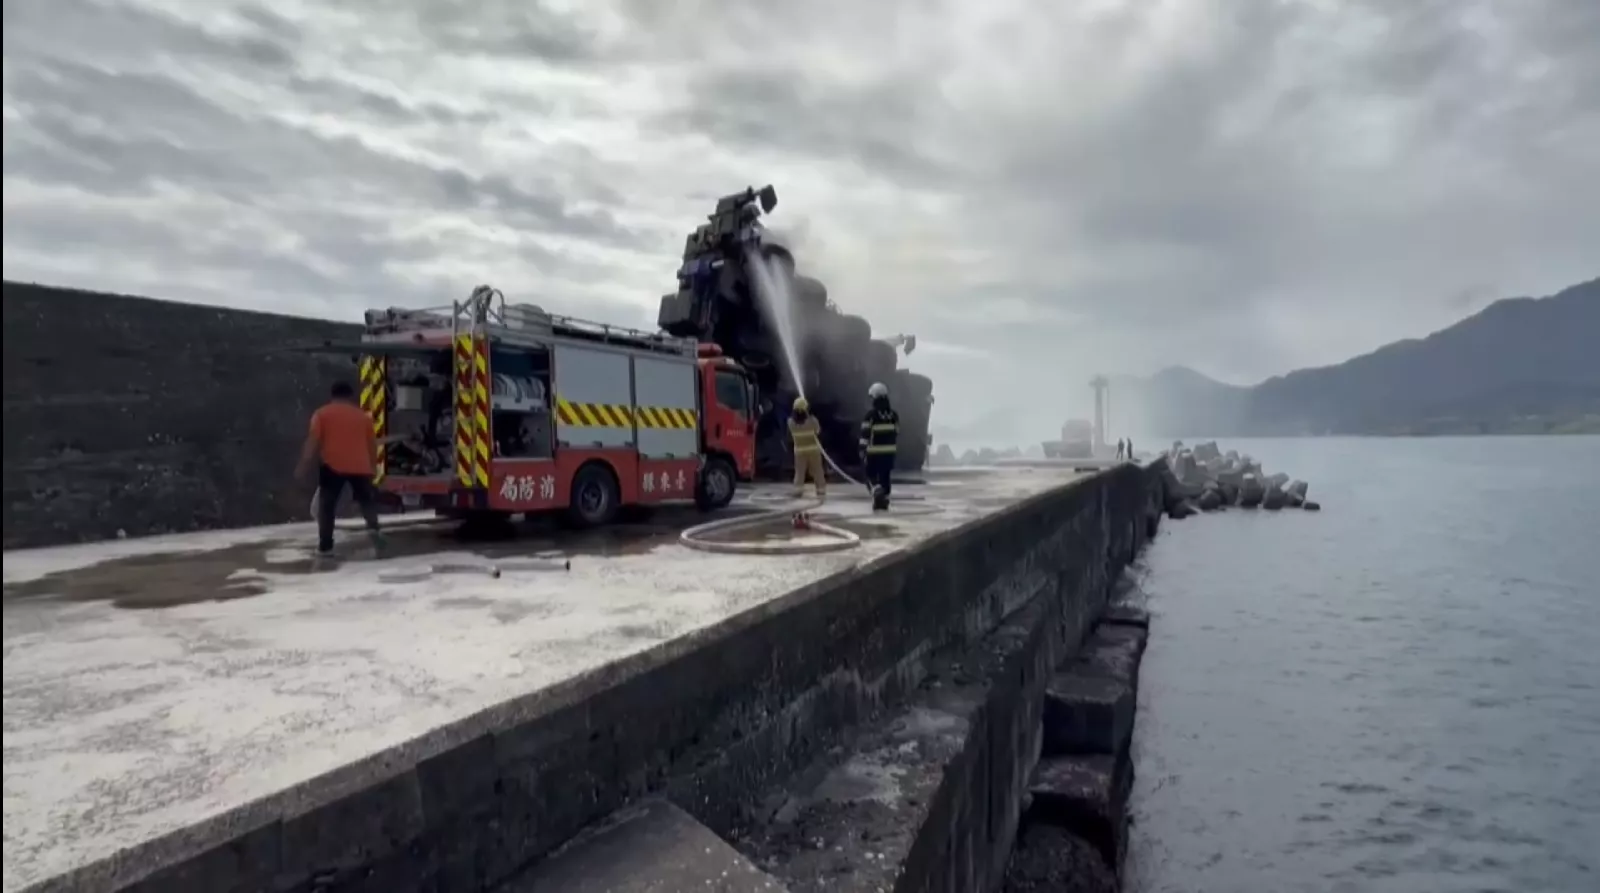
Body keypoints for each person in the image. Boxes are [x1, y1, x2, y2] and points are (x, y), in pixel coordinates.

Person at [296, 381, 384, 557]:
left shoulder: (322, 414)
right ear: (350, 396)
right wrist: (374, 467)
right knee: (366, 503)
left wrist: (303, 465)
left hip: (333, 466)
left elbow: (313, 441)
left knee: (327, 507)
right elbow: (372, 446)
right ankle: (375, 534)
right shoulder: (363, 417)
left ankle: (326, 546)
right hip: (360, 466)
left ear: (332, 395)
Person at [859, 382, 899, 511]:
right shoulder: (894, 415)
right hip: (889, 453)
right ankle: (884, 499)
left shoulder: (870, 416)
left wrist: (862, 450)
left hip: (874, 453)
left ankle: (877, 495)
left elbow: (865, 435)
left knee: (871, 477)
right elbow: (897, 431)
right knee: (885, 477)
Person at [788, 396, 826, 500]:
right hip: (813, 450)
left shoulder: (790, 422)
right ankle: (821, 490)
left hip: (799, 452)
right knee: (817, 471)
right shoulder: (812, 421)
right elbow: (818, 431)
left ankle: (798, 490)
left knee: (799, 472)